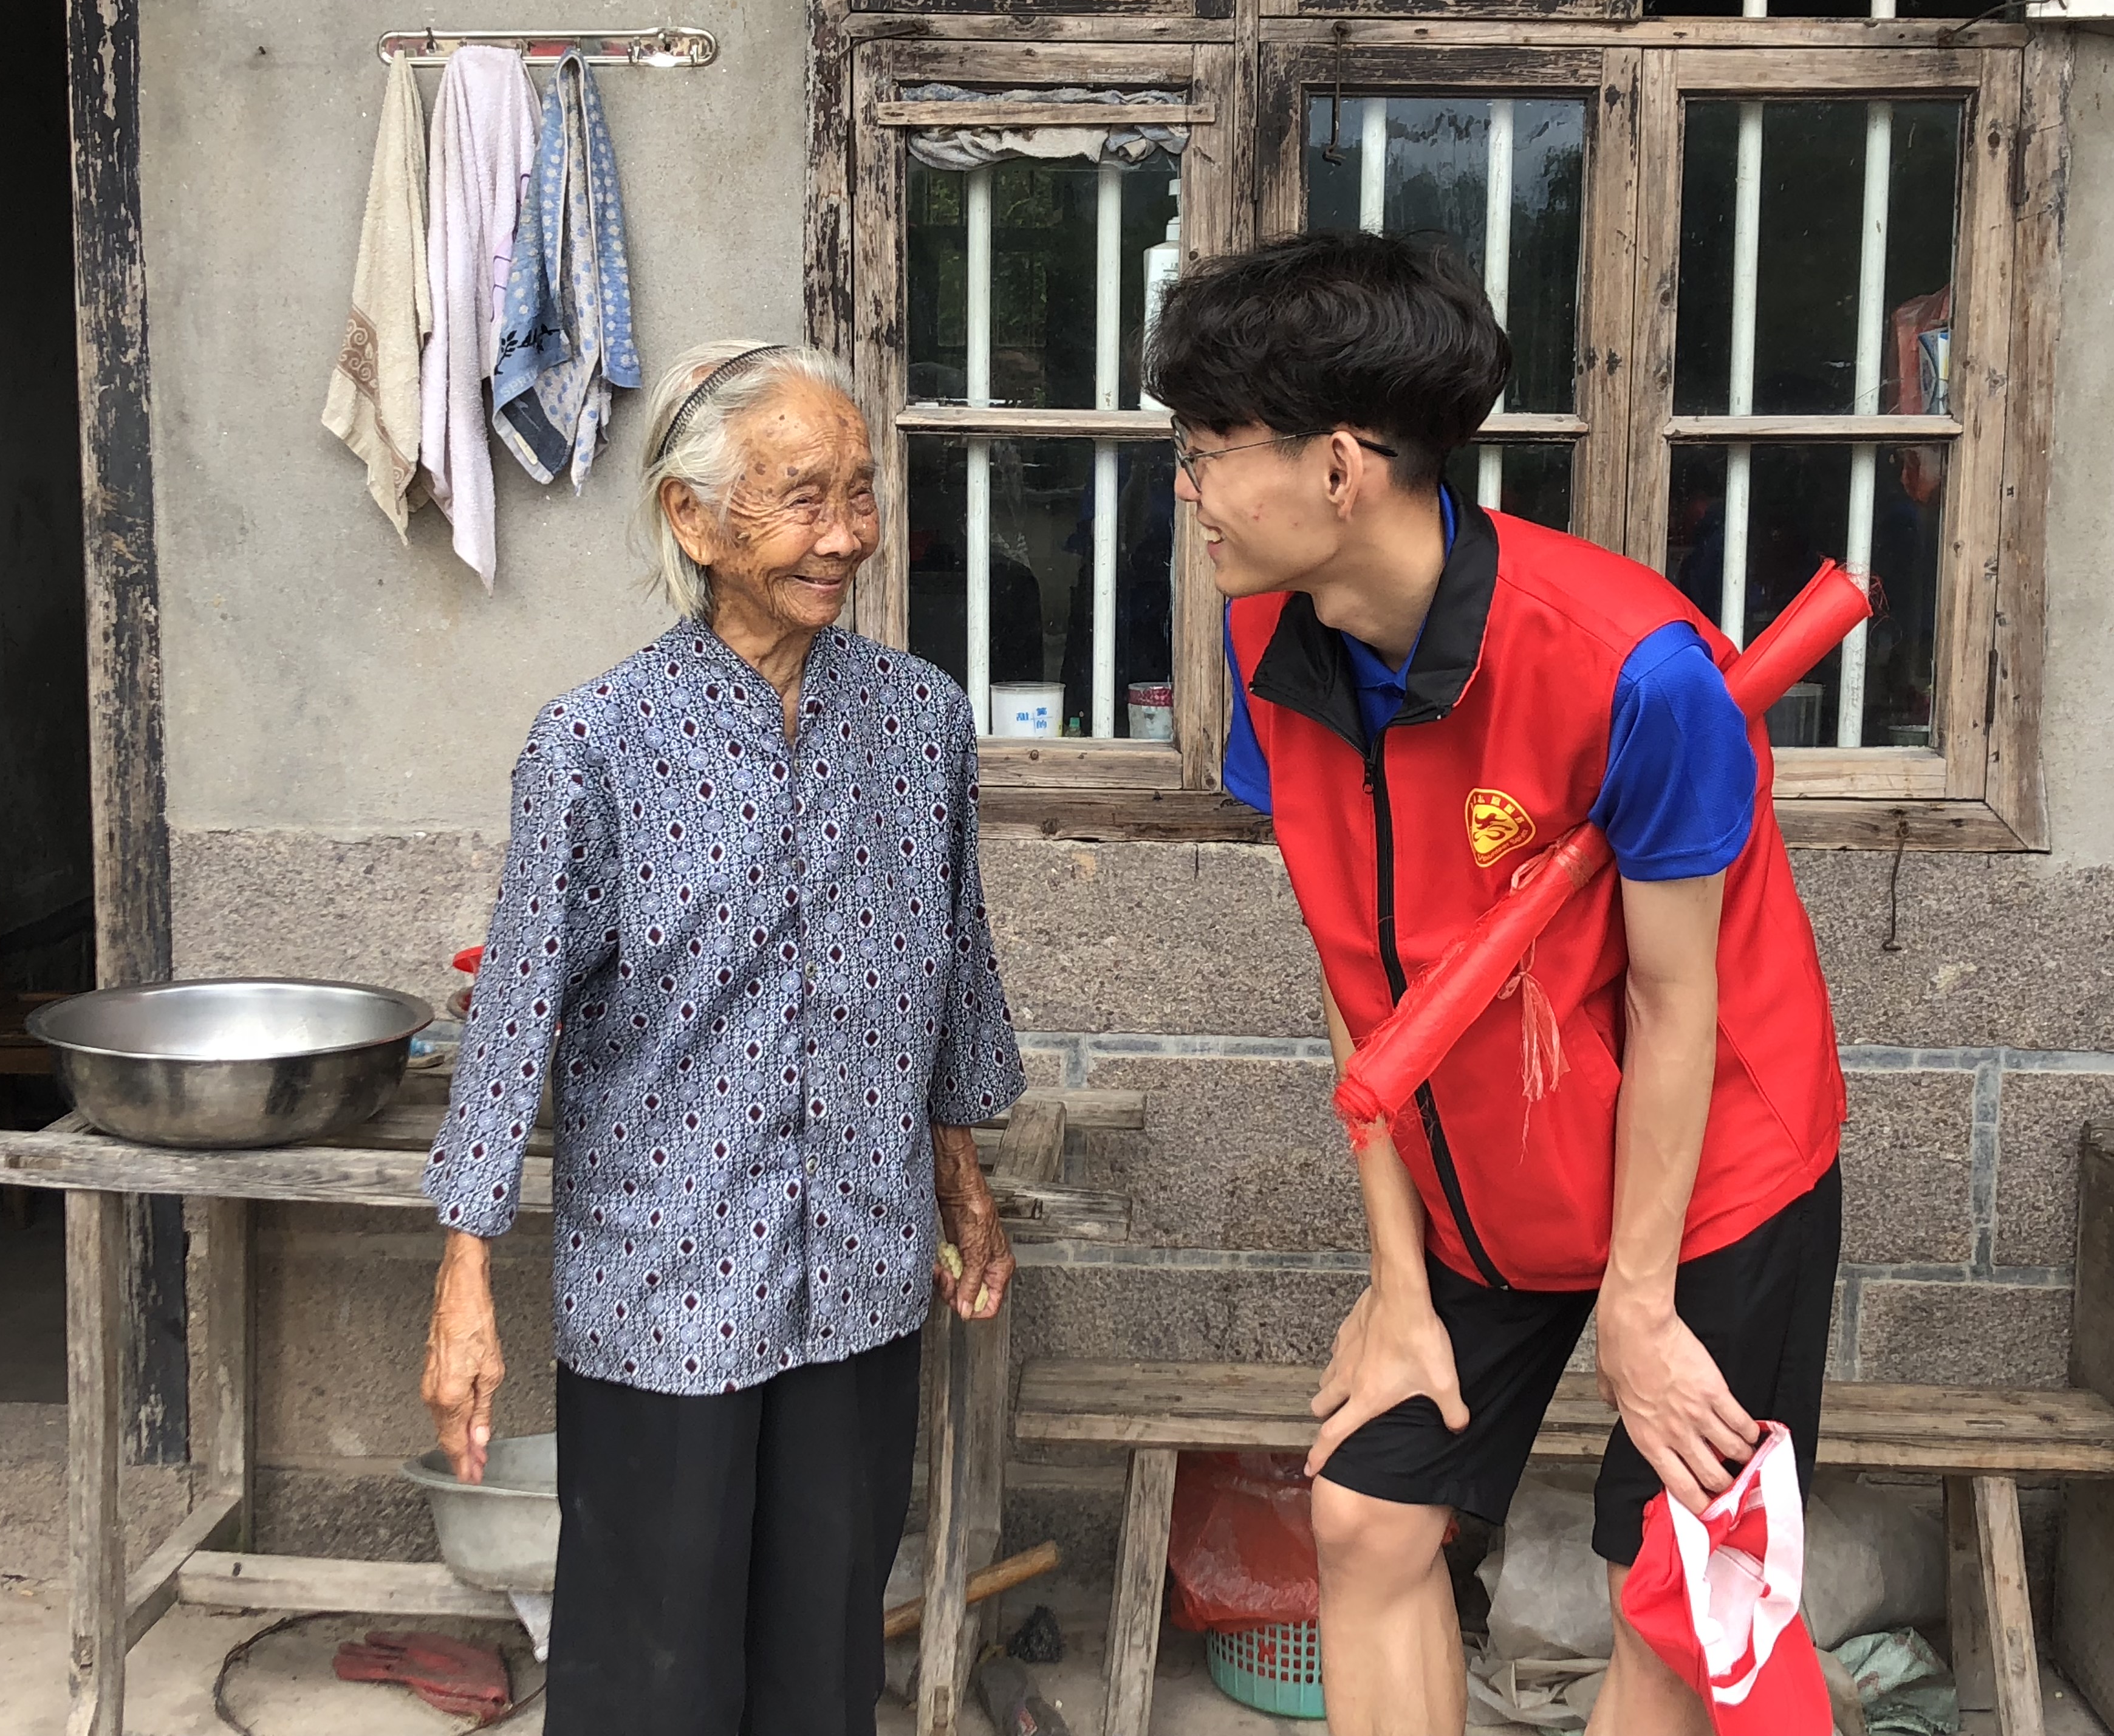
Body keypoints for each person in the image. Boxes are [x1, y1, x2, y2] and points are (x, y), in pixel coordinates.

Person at [1143, 233, 1844, 1736]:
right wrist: (1399, 1285)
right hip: (1486, 1164)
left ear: (1341, 469)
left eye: (1204, 453)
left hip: (1712, 1170)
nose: (1186, 489)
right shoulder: (1268, 637)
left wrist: (1640, 1311)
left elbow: (1677, 1006)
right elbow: (1358, 987)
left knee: (1669, 1586)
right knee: (1366, 1519)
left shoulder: (1633, 669)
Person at [419, 339, 1027, 1736]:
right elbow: (513, 1019)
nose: (848, 534)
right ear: (693, 521)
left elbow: (953, 967)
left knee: (823, 1663)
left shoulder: (920, 723)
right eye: (805, 497)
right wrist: (465, 1277)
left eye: (860, 494)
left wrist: (960, 1177)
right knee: (654, 1676)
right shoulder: (597, 744)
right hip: (668, 1289)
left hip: (860, 1270)